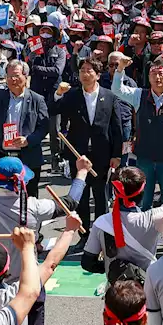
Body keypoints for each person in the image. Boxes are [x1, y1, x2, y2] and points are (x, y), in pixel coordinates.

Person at [111, 55, 163, 210]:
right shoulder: (139, 95)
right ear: (148, 77)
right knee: (143, 200)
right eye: (154, 74)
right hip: (144, 158)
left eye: (161, 74)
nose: (158, 77)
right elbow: (116, 89)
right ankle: (143, 232)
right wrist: (120, 69)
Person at [56, 57, 125, 230]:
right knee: (81, 195)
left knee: (101, 195)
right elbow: (52, 110)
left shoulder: (109, 97)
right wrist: (58, 94)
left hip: (101, 153)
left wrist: (117, 154)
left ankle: (101, 233)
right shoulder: (72, 95)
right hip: (78, 153)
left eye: (89, 70)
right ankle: (84, 232)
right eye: (82, 71)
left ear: (98, 75)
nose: (85, 74)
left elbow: (117, 128)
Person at [0, 60, 51, 194]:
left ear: (26, 77)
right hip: (3, 155)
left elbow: (44, 127)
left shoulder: (37, 99)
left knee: (29, 197)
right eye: (9, 76)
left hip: (28, 155)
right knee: (4, 197)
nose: (13, 79)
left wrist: (28, 140)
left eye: (17, 75)